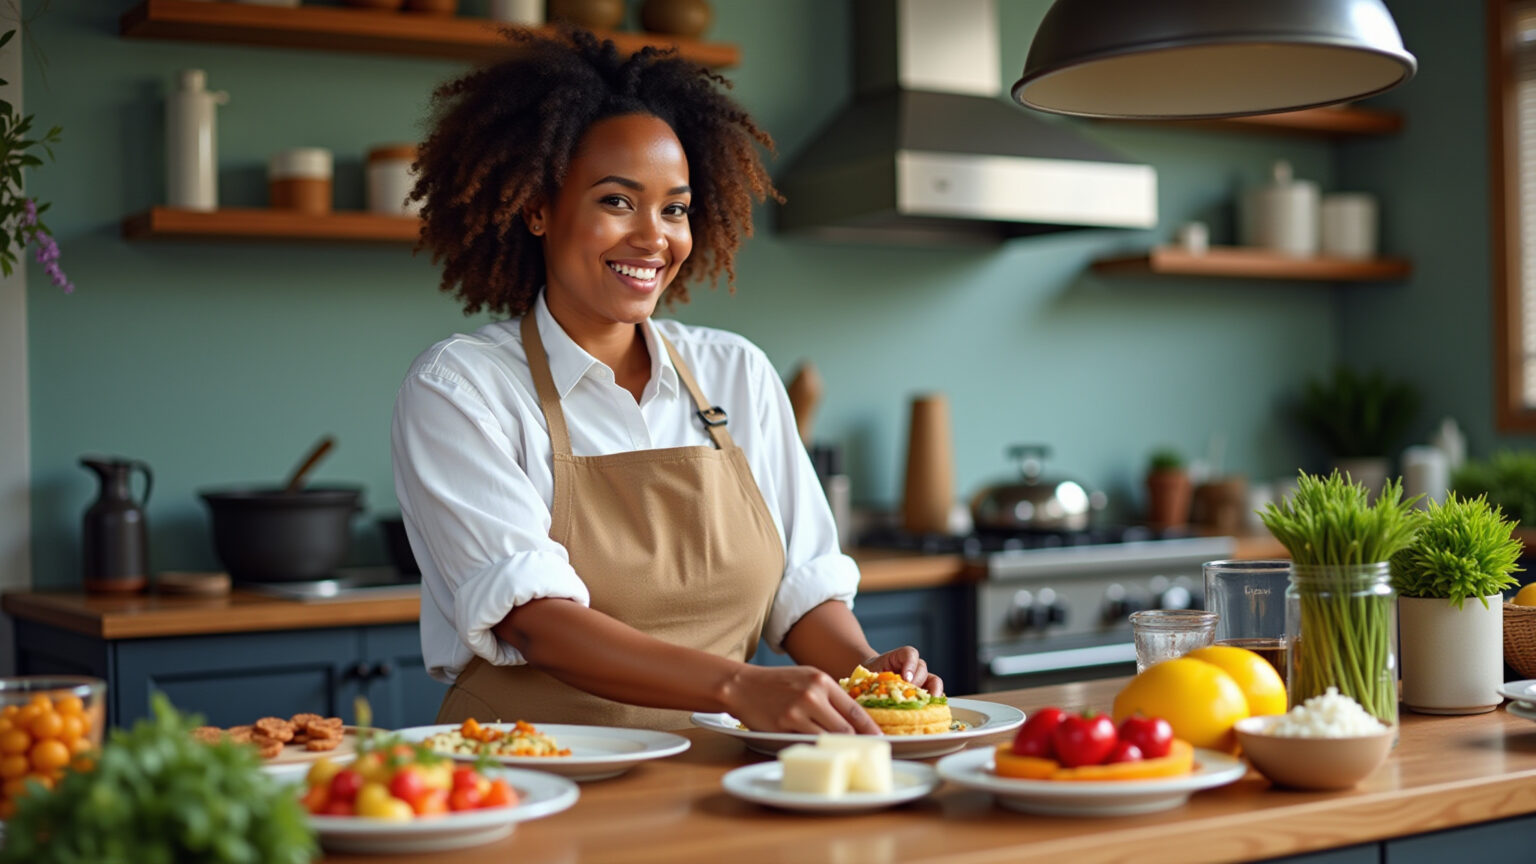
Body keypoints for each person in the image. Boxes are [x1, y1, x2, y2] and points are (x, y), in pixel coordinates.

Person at [392, 28, 942, 734]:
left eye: (674, 208)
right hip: (530, 772)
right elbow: (535, 622)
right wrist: (742, 687)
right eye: (617, 201)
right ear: (537, 208)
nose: (655, 236)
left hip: (715, 773)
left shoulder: (734, 372)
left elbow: (800, 593)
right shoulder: (461, 388)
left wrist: (866, 672)